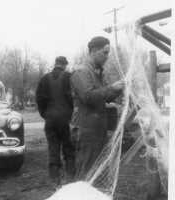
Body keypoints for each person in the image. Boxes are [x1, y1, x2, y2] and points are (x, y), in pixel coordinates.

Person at [70, 36, 125, 179]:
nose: (107, 57)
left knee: (96, 171)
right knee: (86, 172)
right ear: (94, 51)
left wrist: (118, 89)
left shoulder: (98, 72)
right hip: (87, 130)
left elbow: (104, 97)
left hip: (98, 129)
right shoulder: (81, 72)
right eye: (105, 53)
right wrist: (111, 87)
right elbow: (88, 97)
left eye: (108, 53)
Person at [36, 56, 76, 186]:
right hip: (65, 119)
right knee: (68, 147)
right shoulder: (69, 77)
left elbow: (39, 99)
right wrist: (70, 113)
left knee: (53, 147)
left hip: (50, 119)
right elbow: (73, 98)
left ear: (55, 64)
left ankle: (55, 179)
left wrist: (46, 114)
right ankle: (70, 177)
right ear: (64, 65)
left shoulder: (44, 79)